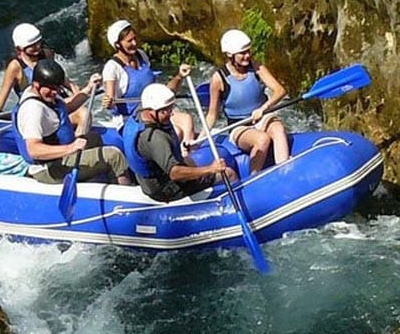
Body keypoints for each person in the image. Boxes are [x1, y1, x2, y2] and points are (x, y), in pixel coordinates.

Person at [16, 57, 132, 185]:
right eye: (51, 89)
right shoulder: (33, 110)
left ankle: (93, 180)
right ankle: (125, 191)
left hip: (62, 156)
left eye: (57, 88)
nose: (55, 92)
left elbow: (67, 107)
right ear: (36, 85)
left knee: (94, 138)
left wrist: (88, 88)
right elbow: (34, 150)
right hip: (50, 168)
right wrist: (71, 148)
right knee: (114, 156)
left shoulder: (45, 95)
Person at [123, 83, 236, 202]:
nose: (171, 113)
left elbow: (165, 94)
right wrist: (211, 169)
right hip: (165, 187)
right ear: (151, 111)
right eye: (166, 111)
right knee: (229, 173)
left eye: (171, 108)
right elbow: (174, 173)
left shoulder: (139, 113)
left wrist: (180, 77)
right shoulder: (155, 138)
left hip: (152, 176)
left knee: (190, 161)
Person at [203, 28, 290, 172]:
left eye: (249, 51)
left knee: (278, 128)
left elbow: (280, 91)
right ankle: (253, 177)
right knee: (262, 140)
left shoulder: (256, 67)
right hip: (239, 126)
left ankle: (285, 169)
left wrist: (263, 108)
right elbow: (212, 115)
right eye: (242, 53)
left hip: (262, 117)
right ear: (230, 55)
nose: (247, 56)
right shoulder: (219, 79)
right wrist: (199, 139)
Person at [101, 18, 195, 146]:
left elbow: (161, 93)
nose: (134, 43)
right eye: (129, 41)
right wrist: (108, 102)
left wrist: (179, 76)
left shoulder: (141, 55)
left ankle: (187, 154)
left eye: (135, 39)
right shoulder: (112, 68)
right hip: (131, 121)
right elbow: (110, 101)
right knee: (176, 132)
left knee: (186, 119)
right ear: (118, 44)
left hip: (154, 113)